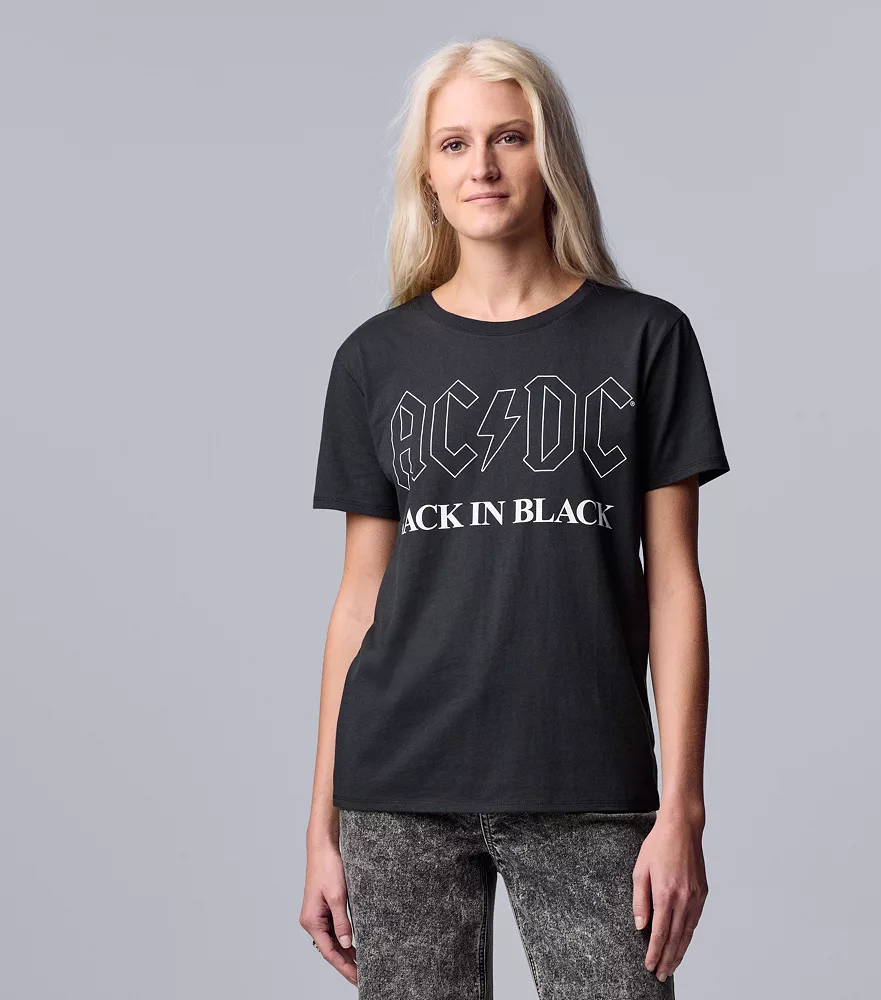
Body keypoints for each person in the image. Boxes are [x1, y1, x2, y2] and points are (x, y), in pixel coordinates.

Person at [299, 35, 730, 1000]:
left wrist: (683, 810)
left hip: (587, 779)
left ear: (550, 154)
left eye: (509, 136)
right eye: (453, 144)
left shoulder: (646, 338)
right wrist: (321, 827)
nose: (482, 166)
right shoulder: (373, 359)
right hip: (397, 790)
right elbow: (358, 599)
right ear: (427, 174)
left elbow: (674, 582)